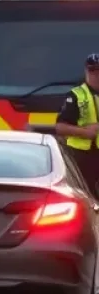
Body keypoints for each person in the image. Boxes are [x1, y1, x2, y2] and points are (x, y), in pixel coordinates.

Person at [54, 53, 99, 196]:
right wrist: (85, 132)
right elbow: (60, 127)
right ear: (86, 71)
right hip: (81, 155)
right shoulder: (76, 95)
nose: (96, 75)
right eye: (93, 71)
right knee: (83, 194)